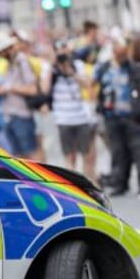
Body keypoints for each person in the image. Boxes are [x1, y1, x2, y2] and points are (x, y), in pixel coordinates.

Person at [95, 36, 140, 197]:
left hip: (131, 116)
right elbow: (96, 86)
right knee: (118, 152)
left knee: (137, 151)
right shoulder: (105, 68)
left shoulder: (133, 67)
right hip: (111, 116)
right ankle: (120, 183)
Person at [0, 30, 41, 159]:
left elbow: (32, 89)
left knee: (30, 155)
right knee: (19, 156)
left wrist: (8, 88)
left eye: (1, 52)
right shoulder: (10, 64)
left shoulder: (22, 62)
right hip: (10, 115)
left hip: (21, 115)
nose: (0, 56)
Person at [48, 46, 96, 180]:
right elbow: (45, 89)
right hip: (63, 119)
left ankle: (88, 184)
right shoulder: (52, 69)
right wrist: (55, 67)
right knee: (69, 156)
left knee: (87, 154)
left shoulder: (77, 65)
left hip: (80, 118)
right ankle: (73, 186)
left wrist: (71, 72)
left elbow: (88, 84)